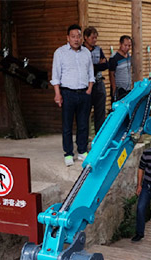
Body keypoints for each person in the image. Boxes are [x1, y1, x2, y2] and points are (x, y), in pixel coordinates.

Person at [50, 24, 94, 167]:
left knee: (83, 124)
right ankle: (68, 153)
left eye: (78, 36)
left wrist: (89, 89)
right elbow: (55, 75)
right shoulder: (60, 53)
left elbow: (91, 73)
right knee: (67, 125)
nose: (76, 39)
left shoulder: (86, 52)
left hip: (84, 93)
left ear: (82, 38)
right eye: (73, 36)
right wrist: (58, 94)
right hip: (67, 93)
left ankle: (82, 150)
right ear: (68, 38)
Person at [83, 27, 108, 133]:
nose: (94, 40)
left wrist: (95, 67)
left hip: (98, 82)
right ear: (85, 37)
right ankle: (85, 137)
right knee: (84, 112)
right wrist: (97, 66)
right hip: (85, 85)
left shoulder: (98, 49)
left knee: (100, 112)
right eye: (92, 38)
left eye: (95, 38)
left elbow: (105, 64)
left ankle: (99, 136)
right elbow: (85, 68)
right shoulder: (81, 51)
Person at [109, 35, 132, 102]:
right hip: (119, 89)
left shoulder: (129, 56)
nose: (127, 48)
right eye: (125, 45)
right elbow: (111, 74)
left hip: (128, 89)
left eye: (129, 46)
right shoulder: (114, 57)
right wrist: (114, 88)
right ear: (120, 44)